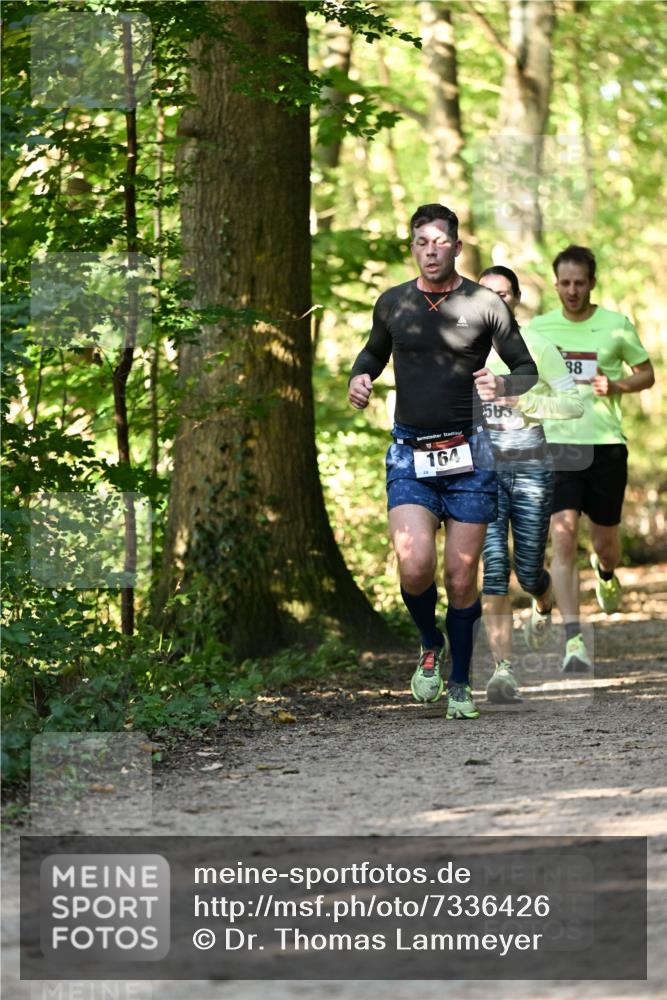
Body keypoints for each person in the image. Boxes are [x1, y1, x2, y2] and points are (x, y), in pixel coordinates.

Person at [348, 204, 538, 720]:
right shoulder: (393, 303)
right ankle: (430, 642)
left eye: (438, 242)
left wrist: (503, 383)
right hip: (410, 451)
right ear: (412, 247)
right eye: (420, 242)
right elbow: (373, 354)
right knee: (414, 566)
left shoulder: (485, 304)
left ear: (456, 246)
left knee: (459, 576)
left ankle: (459, 682)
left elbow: (526, 368)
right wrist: (360, 377)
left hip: (469, 451)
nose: (429, 251)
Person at [525, 245, 654, 671]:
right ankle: (573, 639)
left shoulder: (616, 326)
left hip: (606, 445)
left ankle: (606, 572)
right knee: (562, 537)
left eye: (580, 283)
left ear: (592, 283)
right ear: (555, 284)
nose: (572, 290)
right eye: (565, 283)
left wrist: (617, 386)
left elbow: (646, 373)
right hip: (559, 446)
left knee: (606, 545)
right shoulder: (539, 328)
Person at [478, 266, 584, 702]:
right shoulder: (463, 347)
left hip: (531, 467)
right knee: (494, 568)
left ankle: (543, 601)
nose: (495, 301)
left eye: (504, 294)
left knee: (526, 570)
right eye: (487, 293)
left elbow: (573, 405)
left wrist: (525, 400)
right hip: (482, 469)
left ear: (517, 299)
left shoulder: (538, 345)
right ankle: (502, 671)